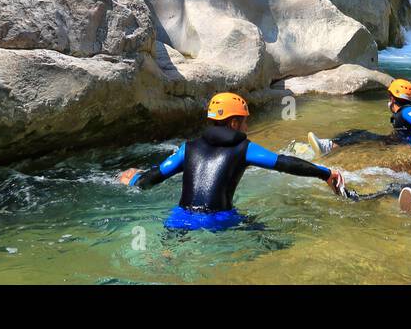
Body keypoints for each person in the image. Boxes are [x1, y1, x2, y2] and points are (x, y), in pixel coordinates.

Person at [119, 92, 345, 230]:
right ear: (234, 123)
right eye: (245, 121)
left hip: (180, 219)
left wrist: (131, 179)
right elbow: (284, 163)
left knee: (169, 253)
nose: (247, 127)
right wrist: (325, 173)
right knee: (270, 238)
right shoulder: (243, 148)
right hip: (219, 220)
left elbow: (153, 178)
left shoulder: (187, 148)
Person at [308, 78, 411, 156]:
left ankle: (328, 147)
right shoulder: (404, 111)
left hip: (401, 144)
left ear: (392, 97)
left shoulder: (407, 111)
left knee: (360, 135)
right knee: (355, 133)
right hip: (397, 142)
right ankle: (328, 145)